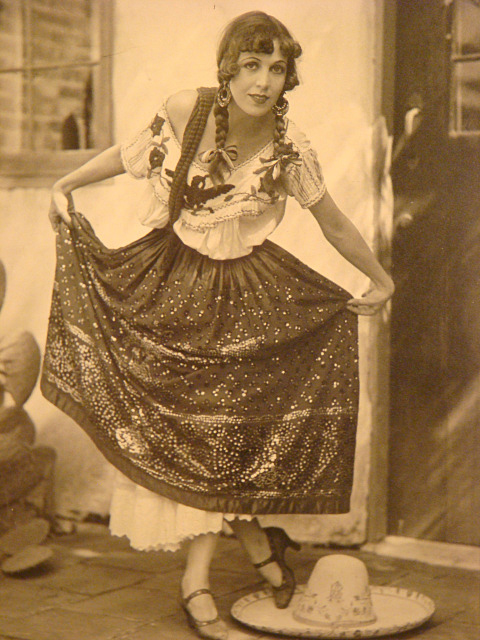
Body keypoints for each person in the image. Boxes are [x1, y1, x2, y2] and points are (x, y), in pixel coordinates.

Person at [44, 11, 394, 640]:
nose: (262, 81)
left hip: (246, 293)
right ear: (228, 68)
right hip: (170, 281)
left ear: (288, 77)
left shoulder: (291, 149)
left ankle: (198, 580)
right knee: (186, 429)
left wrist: (381, 278)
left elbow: (334, 221)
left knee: (224, 432)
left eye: (276, 68)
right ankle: (259, 547)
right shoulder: (187, 110)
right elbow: (130, 155)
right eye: (251, 65)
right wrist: (64, 183)